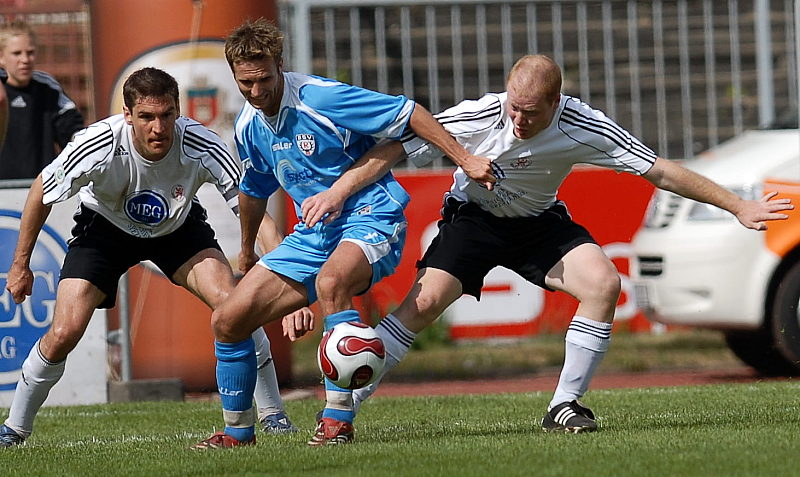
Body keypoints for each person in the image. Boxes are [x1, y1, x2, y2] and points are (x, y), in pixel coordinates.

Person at [293, 54, 794, 434]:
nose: (517, 121)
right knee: (418, 308)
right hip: (473, 219)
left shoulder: (584, 125)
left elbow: (659, 170)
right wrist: (340, 191)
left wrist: (738, 205)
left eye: (530, 113)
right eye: (513, 107)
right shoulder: (479, 116)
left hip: (538, 223)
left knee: (603, 283)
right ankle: (341, 413)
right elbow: (399, 144)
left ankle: (563, 405)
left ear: (557, 104)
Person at [190, 18, 493, 450]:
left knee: (332, 282)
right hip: (315, 233)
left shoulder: (320, 97)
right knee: (228, 319)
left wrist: (465, 159)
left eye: (263, 80)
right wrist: (245, 249)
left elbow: (411, 114)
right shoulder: (248, 126)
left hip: (372, 214)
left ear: (280, 65)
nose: (256, 92)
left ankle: (337, 420)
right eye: (245, 84)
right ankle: (238, 433)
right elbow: (254, 189)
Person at [0, 67, 297, 448]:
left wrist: (285, 273)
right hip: (104, 229)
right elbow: (42, 189)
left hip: (177, 228)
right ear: (127, 114)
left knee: (235, 306)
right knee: (64, 332)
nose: (158, 127)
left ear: (177, 110)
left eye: (166, 115)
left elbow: (251, 206)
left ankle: (273, 414)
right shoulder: (98, 143)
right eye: (146, 117)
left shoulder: (201, 143)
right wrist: (20, 264)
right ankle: (15, 428)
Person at [0, 21, 85, 180]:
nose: (25, 59)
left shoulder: (47, 87)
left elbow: (72, 132)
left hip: (41, 188)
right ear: (1, 57)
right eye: (17, 53)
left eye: (30, 52)